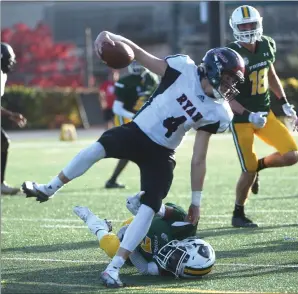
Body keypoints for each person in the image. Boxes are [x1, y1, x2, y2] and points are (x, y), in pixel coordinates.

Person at [22, 30, 246, 287]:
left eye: (233, 82)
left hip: (162, 153)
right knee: (97, 149)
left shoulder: (218, 112)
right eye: (228, 79)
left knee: (150, 207)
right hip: (137, 132)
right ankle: (49, 187)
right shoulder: (182, 68)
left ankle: (114, 268)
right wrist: (110, 36)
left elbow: (199, 158)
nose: (230, 87)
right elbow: (139, 54)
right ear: (214, 69)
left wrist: (197, 201)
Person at [227, 5, 298, 228]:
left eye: (252, 24)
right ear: (235, 28)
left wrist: (284, 102)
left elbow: (271, 73)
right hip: (241, 121)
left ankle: (260, 165)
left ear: (259, 24)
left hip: (265, 113)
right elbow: (226, 95)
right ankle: (238, 213)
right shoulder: (230, 54)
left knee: (291, 155)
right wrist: (248, 115)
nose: (248, 29)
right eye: (243, 25)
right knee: (246, 169)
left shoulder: (266, 44)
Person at [73, 191, 215, 280]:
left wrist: (131, 247)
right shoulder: (184, 227)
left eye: (175, 265)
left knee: (112, 248)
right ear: (188, 244)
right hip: (141, 223)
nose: (169, 260)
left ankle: (97, 224)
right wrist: (141, 207)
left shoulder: (170, 268)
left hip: (138, 251)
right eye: (177, 257)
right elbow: (164, 210)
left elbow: (145, 269)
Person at [105, 62, 159, 189]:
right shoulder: (125, 81)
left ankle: (112, 180)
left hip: (142, 116)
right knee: (131, 148)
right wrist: (134, 116)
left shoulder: (152, 79)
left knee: (138, 148)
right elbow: (117, 108)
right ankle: (113, 180)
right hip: (125, 116)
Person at [1, 42, 27, 195]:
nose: (11, 63)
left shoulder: (2, 75)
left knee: (3, 142)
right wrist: (11, 114)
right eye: (9, 60)